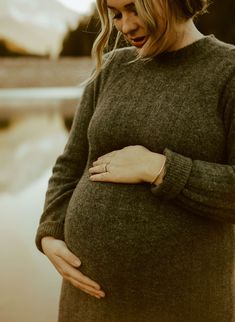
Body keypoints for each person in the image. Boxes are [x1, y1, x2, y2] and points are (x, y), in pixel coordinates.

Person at [35, 0, 235, 321]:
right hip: (86, 302)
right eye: (116, 14)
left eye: (135, 9)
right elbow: (70, 165)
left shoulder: (228, 70)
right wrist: (49, 234)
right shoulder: (112, 67)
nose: (126, 26)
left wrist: (160, 169)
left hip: (183, 305)